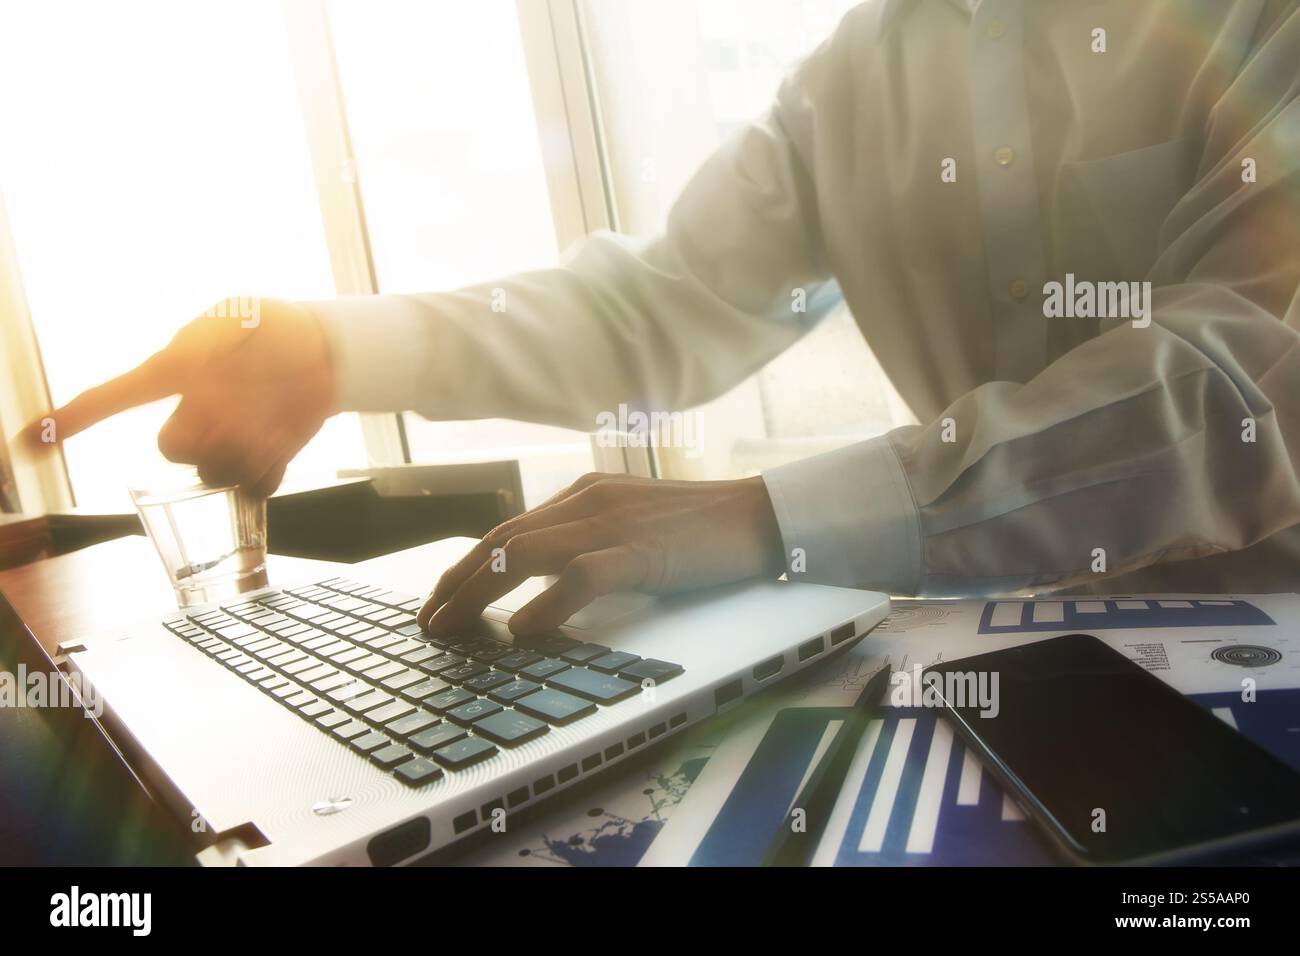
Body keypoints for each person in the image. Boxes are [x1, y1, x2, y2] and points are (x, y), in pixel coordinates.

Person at [22, 0, 1300, 637]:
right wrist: (336, 344)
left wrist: (766, 520)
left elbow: (1243, 375)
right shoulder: (859, 73)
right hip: (989, 639)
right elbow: (665, 304)